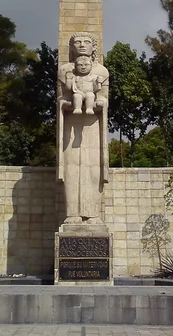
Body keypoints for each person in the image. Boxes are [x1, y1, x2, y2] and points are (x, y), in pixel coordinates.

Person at [57, 32, 109, 224]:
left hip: (93, 125)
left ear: (94, 47)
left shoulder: (102, 72)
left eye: (87, 42)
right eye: (77, 42)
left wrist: (100, 103)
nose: (82, 45)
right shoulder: (65, 71)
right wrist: (66, 104)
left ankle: (93, 215)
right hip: (71, 127)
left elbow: (103, 97)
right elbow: (61, 98)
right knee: (72, 170)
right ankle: (72, 215)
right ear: (71, 47)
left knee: (93, 170)